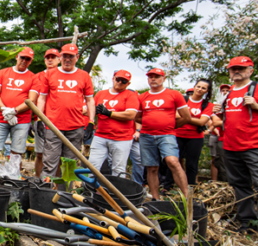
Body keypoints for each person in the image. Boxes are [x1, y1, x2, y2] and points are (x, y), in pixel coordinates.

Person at [211, 56, 258, 236]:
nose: (236, 71)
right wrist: (218, 114)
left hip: (257, 146)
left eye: (241, 68)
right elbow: (224, 120)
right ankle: (246, 222)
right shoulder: (227, 92)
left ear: (250, 70)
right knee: (239, 185)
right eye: (233, 69)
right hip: (231, 146)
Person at [36, 44, 95, 178]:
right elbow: (42, 98)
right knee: (50, 163)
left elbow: (90, 100)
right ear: (60, 57)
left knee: (70, 165)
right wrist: (40, 119)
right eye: (65, 56)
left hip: (75, 127)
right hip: (53, 126)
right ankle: (44, 194)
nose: (67, 59)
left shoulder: (84, 75)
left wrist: (91, 122)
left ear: (77, 57)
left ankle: (65, 195)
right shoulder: (50, 74)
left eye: (71, 56)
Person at [136, 68, 192, 200]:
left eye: (157, 76)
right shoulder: (142, 97)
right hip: (147, 135)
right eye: (151, 77)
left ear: (163, 78)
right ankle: (156, 199)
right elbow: (137, 117)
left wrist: (169, 126)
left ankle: (187, 198)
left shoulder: (174, 94)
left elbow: (186, 117)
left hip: (167, 134)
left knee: (172, 161)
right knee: (152, 168)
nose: (153, 79)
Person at [0, 48, 39, 178]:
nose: (24, 61)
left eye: (28, 59)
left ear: (30, 61)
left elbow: (31, 100)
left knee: (16, 154)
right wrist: (5, 110)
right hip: (0, 118)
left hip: (21, 120)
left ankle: (12, 181)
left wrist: (14, 111)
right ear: (16, 57)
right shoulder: (3, 72)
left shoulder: (33, 77)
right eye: (22, 57)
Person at [89, 70, 140, 177]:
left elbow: (130, 115)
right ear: (113, 78)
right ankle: (91, 191)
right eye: (118, 79)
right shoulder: (101, 94)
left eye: (124, 81)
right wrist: (94, 111)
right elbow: (87, 110)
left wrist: (109, 113)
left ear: (128, 84)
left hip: (122, 138)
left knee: (118, 169)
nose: (120, 82)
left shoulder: (131, 95)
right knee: (92, 166)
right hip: (100, 136)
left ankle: (116, 193)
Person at [173, 79, 214, 185]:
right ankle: (169, 186)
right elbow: (175, 115)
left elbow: (202, 122)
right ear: (195, 87)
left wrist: (185, 117)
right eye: (198, 86)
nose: (200, 89)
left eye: (203, 88)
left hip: (195, 137)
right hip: (178, 134)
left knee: (192, 164)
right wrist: (194, 119)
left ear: (207, 91)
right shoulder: (183, 100)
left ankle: (191, 187)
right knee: (174, 162)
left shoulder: (208, 105)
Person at [33, 48, 60, 178]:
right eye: (47, 57)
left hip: (57, 120)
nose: (50, 59)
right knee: (40, 153)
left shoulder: (63, 76)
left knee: (58, 155)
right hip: (40, 119)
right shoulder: (37, 76)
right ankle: (39, 180)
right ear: (44, 60)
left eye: (53, 57)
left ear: (59, 60)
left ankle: (57, 185)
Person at [209, 84, 231, 181]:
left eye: (228, 90)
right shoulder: (217, 107)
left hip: (238, 140)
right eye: (223, 90)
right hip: (222, 139)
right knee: (220, 164)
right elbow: (216, 122)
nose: (225, 92)